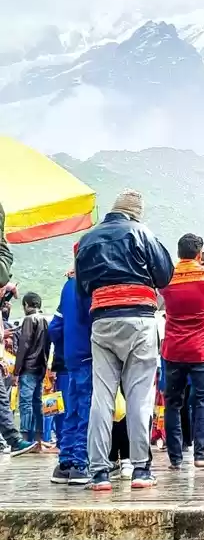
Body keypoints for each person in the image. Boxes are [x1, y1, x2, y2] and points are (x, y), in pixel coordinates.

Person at [75, 190, 174, 492]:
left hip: (103, 321)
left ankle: (99, 474)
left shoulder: (88, 240)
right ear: (136, 212)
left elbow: (81, 287)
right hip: (139, 321)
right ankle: (141, 470)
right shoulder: (142, 232)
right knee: (139, 397)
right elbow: (164, 275)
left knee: (101, 398)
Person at [161, 233, 204, 469]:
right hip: (203, 349)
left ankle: (175, 458)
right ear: (199, 253)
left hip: (173, 349)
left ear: (178, 253)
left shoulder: (166, 278)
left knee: (172, 403)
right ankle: (201, 455)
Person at [48, 249, 93, 484]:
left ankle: (64, 464)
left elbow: (54, 327)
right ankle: (80, 464)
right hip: (90, 355)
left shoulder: (67, 286)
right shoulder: (91, 285)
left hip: (72, 358)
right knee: (86, 409)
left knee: (71, 410)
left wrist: (66, 350)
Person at [0, 205, 39, 457]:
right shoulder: (35, 322)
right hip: (30, 370)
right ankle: (15, 438)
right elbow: (2, 272)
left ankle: (15, 438)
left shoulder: (28, 322)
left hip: (25, 370)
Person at [14, 292, 49, 444]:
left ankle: (25, 438)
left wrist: (16, 370)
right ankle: (39, 438)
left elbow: (24, 346)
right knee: (37, 403)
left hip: (28, 368)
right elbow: (47, 346)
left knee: (25, 403)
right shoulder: (45, 320)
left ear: (27, 305)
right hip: (40, 368)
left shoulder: (29, 320)